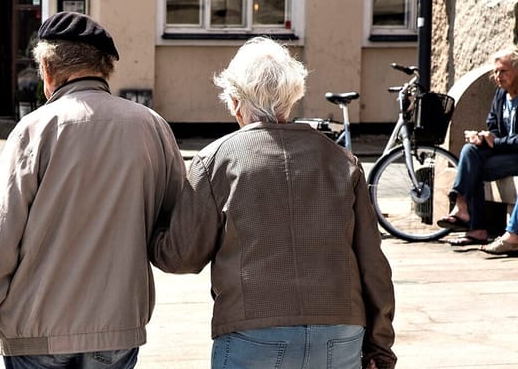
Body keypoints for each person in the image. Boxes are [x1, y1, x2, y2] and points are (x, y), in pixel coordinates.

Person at [0, 11, 185, 369]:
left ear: (47, 68)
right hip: (117, 330)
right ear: (105, 68)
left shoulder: (35, 129)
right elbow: (176, 234)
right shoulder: (152, 127)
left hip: (38, 330)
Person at [149, 37, 397, 369]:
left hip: (254, 332)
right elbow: (373, 265)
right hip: (340, 330)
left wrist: (150, 228)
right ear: (292, 98)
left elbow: (181, 256)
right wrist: (380, 346)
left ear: (236, 102)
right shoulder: (341, 160)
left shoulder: (216, 160)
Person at [437, 46, 518, 248]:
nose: (498, 76)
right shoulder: (500, 94)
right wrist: (482, 137)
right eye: (496, 71)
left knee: (473, 167)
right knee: (470, 151)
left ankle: (474, 225)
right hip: (504, 154)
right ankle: (462, 207)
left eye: (503, 71)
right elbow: (493, 125)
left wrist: (495, 141)